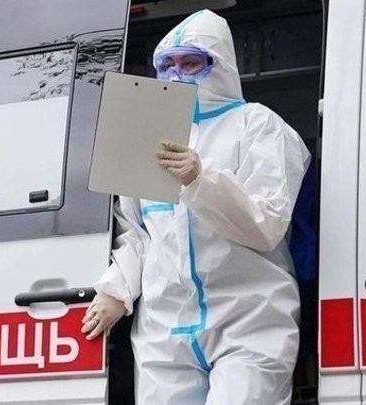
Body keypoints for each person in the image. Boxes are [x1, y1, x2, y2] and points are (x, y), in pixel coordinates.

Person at [81, 9, 310, 404]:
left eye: (191, 63)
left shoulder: (259, 127)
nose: (177, 75)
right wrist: (117, 290)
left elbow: (266, 225)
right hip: (165, 329)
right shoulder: (147, 138)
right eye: (167, 65)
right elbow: (138, 232)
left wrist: (202, 182)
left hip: (249, 321)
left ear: (219, 65)